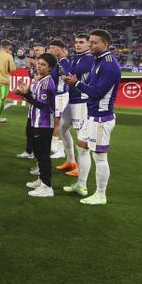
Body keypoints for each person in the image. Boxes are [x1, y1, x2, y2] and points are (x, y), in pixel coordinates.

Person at [62, 29, 121, 205]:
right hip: (91, 115)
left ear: (105, 44)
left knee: (100, 156)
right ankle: (81, 184)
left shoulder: (109, 65)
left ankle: (101, 195)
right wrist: (79, 83)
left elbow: (97, 92)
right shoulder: (99, 61)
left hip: (101, 117)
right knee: (82, 145)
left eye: (95, 42)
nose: (92, 45)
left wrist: (76, 83)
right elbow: (92, 86)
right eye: (91, 42)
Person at [14, 53, 58, 197]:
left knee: (44, 156)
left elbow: (41, 105)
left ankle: (47, 186)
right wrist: (24, 92)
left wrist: (26, 96)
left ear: (50, 68)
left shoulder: (46, 82)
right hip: (36, 122)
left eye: (43, 64)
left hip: (44, 124)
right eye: (39, 63)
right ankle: (42, 180)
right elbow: (34, 98)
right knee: (39, 155)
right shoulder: (40, 80)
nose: (39, 66)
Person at [57, 34, 93, 176]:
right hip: (72, 99)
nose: (77, 45)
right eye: (76, 42)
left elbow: (71, 72)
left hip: (81, 101)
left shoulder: (89, 58)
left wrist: (64, 59)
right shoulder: (77, 57)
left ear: (88, 44)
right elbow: (67, 74)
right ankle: (71, 161)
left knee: (81, 137)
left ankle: (81, 169)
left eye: (81, 42)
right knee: (62, 128)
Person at [47, 39, 71, 160]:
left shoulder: (63, 62)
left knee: (59, 123)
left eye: (52, 48)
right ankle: (55, 145)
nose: (50, 50)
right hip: (56, 95)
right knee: (55, 122)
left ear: (58, 49)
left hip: (61, 95)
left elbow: (66, 76)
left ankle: (60, 150)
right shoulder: (58, 62)